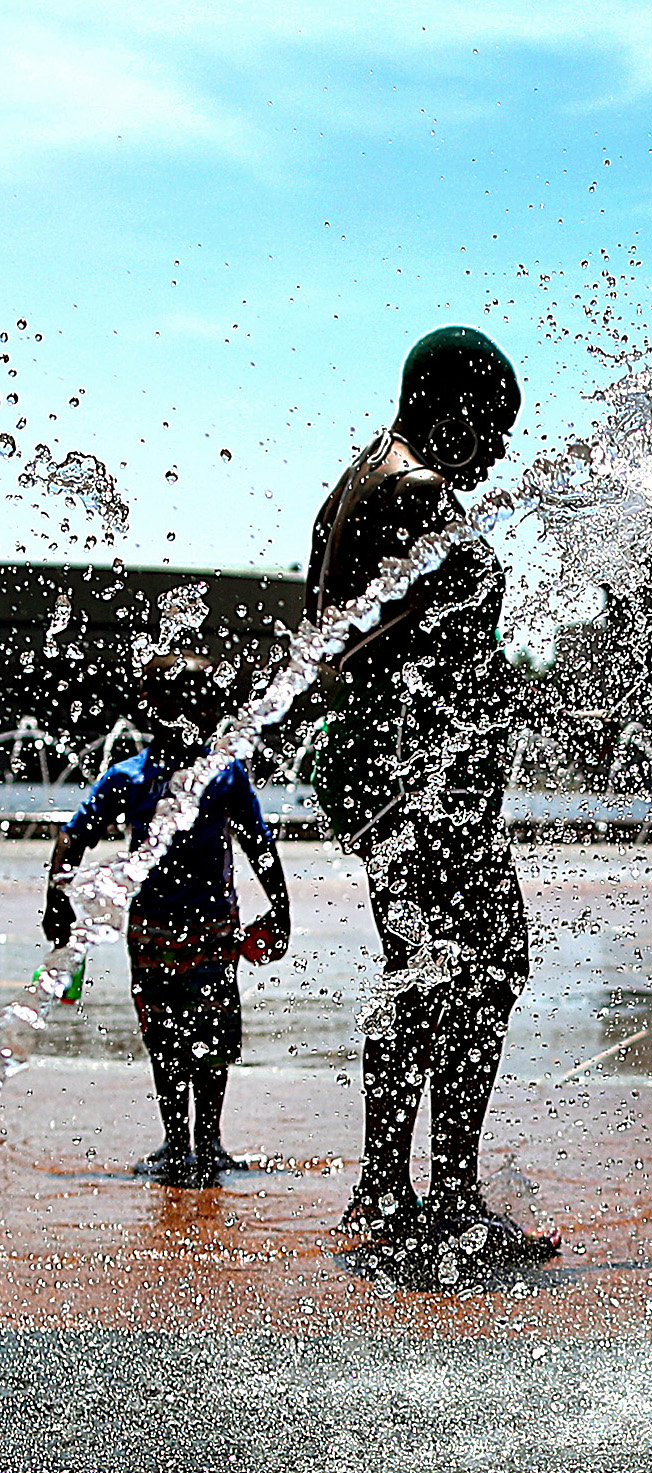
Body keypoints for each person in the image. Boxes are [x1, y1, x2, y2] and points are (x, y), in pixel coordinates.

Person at [304, 325, 554, 1264]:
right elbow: (412, 656)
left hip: (384, 774)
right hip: (420, 778)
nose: (501, 451)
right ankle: (447, 1197)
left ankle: (384, 1186)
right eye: (495, 425)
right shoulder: (416, 493)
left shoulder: (360, 479)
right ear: (451, 401)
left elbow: (379, 644)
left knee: (421, 975)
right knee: (486, 969)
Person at [43, 652, 292, 1188]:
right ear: (151, 708)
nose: (194, 705)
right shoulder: (130, 776)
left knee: (214, 1035)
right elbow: (74, 835)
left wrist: (281, 906)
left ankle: (208, 1139)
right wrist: (57, 897)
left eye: (203, 697)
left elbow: (260, 844)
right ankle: (179, 1140)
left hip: (213, 929)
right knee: (164, 1036)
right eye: (180, 695)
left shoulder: (225, 775)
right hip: (153, 931)